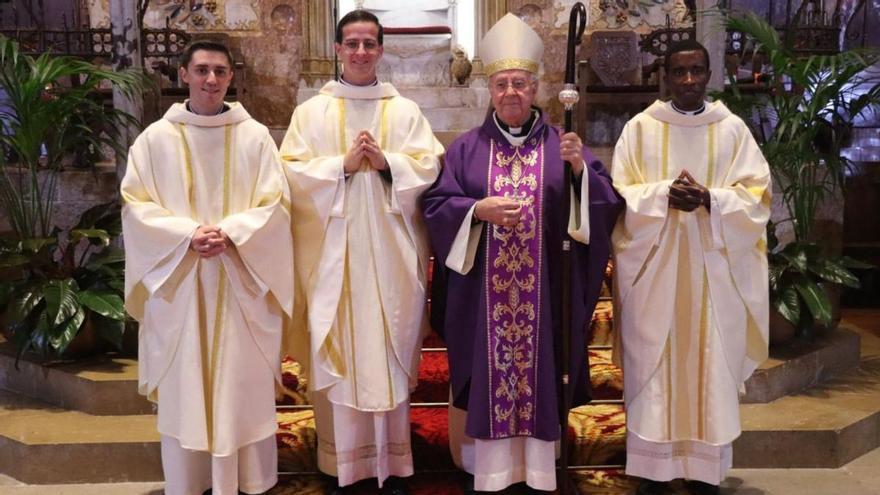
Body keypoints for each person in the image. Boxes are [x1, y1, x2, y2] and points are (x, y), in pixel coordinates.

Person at [422, 13, 623, 494]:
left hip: (545, 297)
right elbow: (437, 204)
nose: (510, 92)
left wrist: (578, 174)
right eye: (502, 84)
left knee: (543, 372)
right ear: (489, 91)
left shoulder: (564, 145)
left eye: (520, 83)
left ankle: (537, 469)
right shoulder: (466, 150)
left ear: (535, 89)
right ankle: (489, 471)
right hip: (483, 300)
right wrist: (477, 211)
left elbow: (605, 201)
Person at [279, 10, 443, 495]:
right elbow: (290, 173)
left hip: (390, 263)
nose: (361, 52)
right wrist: (343, 166)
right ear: (336, 49)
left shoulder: (405, 111)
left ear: (381, 49)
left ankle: (390, 465)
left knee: (386, 352)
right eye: (352, 43)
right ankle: (341, 465)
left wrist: (388, 162)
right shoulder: (311, 113)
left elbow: (429, 166)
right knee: (340, 356)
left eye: (370, 43)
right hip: (334, 261)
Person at [121, 40, 293, 495]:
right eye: (201, 70)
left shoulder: (254, 137)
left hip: (240, 280)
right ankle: (190, 482)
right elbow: (135, 204)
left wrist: (233, 231)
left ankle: (250, 480)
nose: (211, 80)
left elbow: (276, 203)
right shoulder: (155, 140)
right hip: (181, 284)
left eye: (219, 71)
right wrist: (186, 235)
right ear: (183, 75)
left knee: (241, 386)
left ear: (231, 77)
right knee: (187, 388)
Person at [610, 39, 771, 495]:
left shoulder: (732, 130)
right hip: (655, 272)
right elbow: (621, 192)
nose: (688, 81)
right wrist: (662, 194)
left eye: (696, 71)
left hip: (713, 276)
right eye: (678, 72)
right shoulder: (641, 129)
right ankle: (652, 471)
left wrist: (710, 199)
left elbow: (757, 195)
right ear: (665, 76)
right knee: (654, 367)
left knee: (711, 366)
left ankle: (703, 472)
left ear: (708, 74)